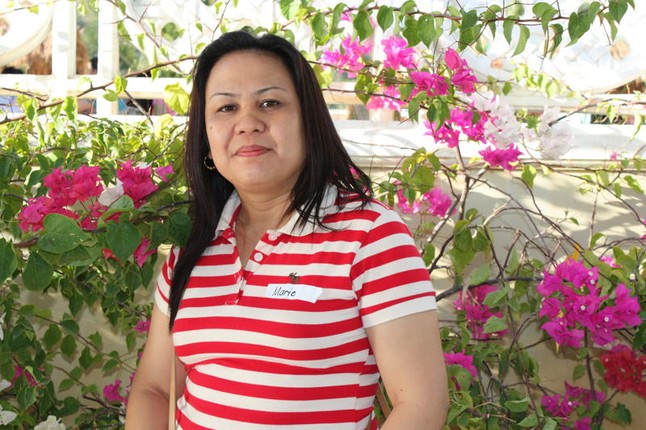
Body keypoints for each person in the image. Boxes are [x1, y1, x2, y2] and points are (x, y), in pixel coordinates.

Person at [125, 30, 448, 430]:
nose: (247, 123)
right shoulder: (191, 248)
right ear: (206, 139)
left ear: (309, 122)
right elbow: (155, 389)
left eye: (269, 103)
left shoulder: (370, 235)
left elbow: (421, 405)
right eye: (226, 107)